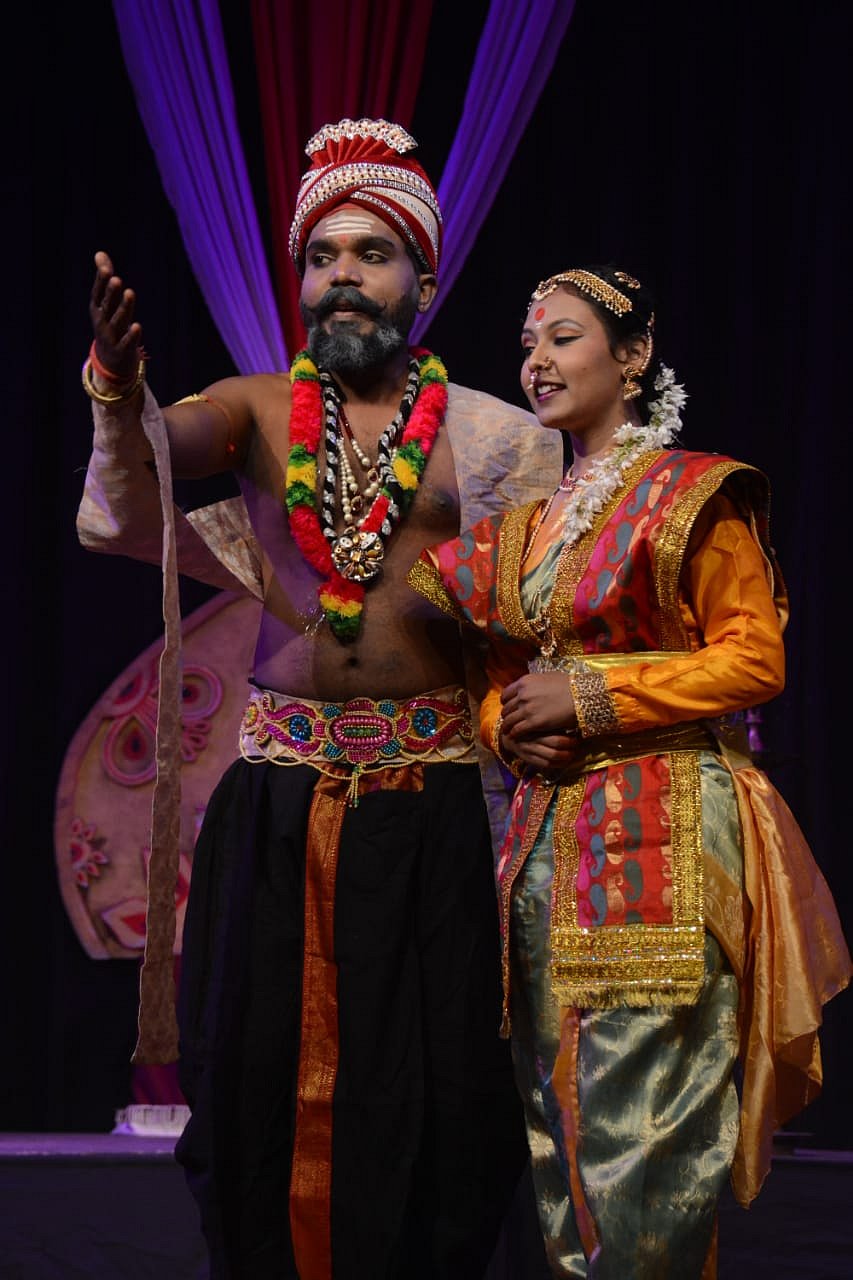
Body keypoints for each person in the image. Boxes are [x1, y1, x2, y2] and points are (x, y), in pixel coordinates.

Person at [75, 119, 564, 1279]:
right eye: (320, 255)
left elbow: (541, 617)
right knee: (251, 1074)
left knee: (446, 1087)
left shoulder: (498, 439)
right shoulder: (252, 409)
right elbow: (161, 449)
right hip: (278, 804)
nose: (342, 274)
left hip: (437, 803)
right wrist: (120, 388)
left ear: (422, 282)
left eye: (371, 253)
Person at [408, 264, 853, 1278]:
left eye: (562, 338)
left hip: (661, 829)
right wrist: (510, 726)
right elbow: (498, 674)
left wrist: (591, 694)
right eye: (528, 343)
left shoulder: (690, 493)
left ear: (635, 354)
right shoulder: (528, 526)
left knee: (643, 1143)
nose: (536, 360)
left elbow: (753, 658)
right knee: (557, 1133)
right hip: (542, 845)